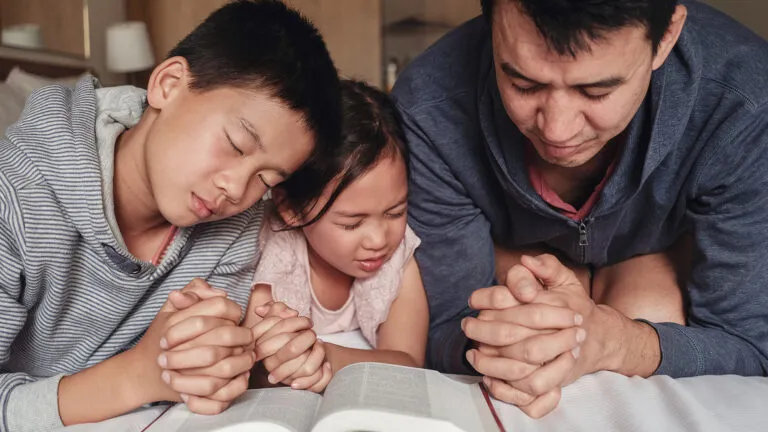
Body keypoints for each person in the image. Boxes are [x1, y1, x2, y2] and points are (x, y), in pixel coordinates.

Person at [391, 0, 768, 418]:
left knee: (652, 304)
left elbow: (751, 344)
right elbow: (441, 328)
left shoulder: (744, 104)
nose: (557, 130)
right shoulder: (428, 107)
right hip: (509, 265)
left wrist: (618, 341)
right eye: (524, 84)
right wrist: (503, 342)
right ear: (492, 26)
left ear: (665, 37)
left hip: (657, 262)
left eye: (597, 91)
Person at [0, 0, 342, 429]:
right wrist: (138, 377)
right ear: (168, 83)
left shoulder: (237, 220)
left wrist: (252, 354)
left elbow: (195, 372)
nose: (236, 189)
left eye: (267, 180)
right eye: (236, 144)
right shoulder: (15, 197)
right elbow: (154, 376)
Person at [243, 80, 429, 392]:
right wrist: (279, 361)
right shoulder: (273, 257)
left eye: (395, 212)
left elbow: (409, 363)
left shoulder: (396, 256)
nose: (378, 240)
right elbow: (255, 368)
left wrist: (326, 357)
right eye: (351, 223)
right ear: (290, 208)